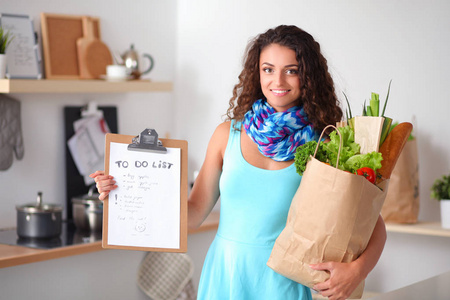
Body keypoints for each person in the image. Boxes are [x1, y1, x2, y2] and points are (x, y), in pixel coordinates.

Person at [91, 25, 386, 300]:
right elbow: (193, 214)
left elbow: (371, 222)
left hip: (288, 281)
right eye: (268, 69)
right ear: (257, 74)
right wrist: (124, 195)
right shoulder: (227, 135)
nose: (277, 81)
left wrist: (357, 271)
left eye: (291, 71)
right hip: (227, 277)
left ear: (308, 77)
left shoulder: (329, 142)